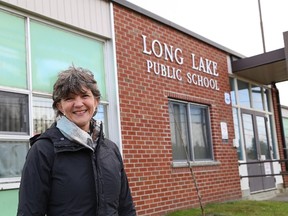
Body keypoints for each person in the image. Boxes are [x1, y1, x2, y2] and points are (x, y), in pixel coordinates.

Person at [17, 66, 136, 216]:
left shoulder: (110, 149)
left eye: (84, 96)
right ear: (60, 106)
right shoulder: (43, 150)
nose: (78, 104)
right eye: (69, 98)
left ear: (96, 101)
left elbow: (126, 207)